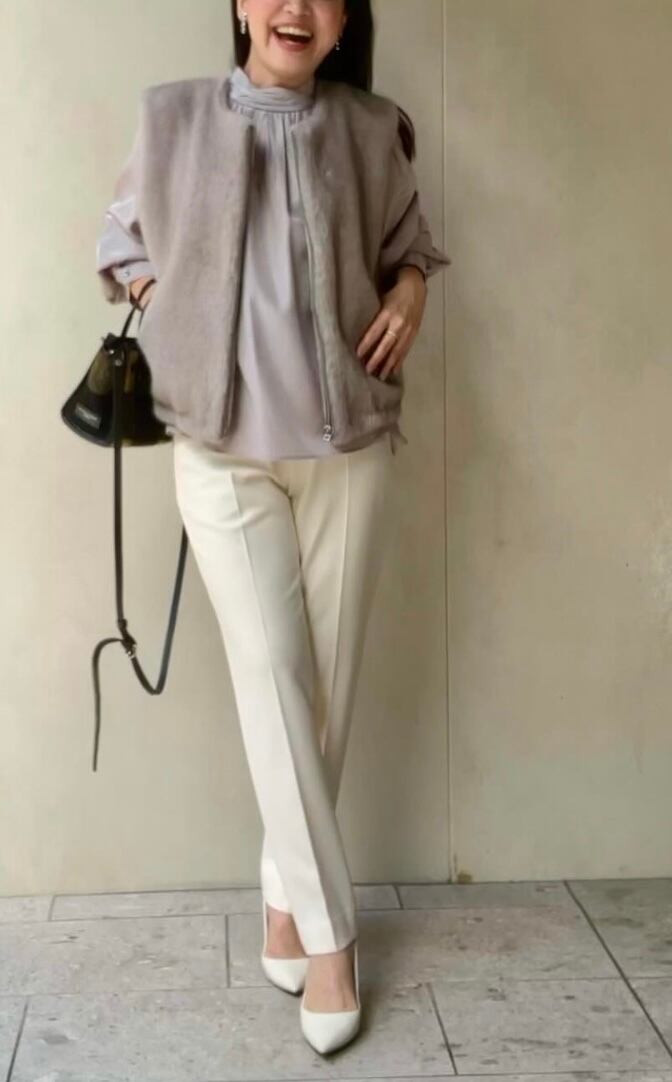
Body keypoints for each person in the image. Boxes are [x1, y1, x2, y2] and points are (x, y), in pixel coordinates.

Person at [95, 0, 450, 1056]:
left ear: (343, 22)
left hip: (349, 448)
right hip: (221, 455)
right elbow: (119, 240)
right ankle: (334, 941)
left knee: (321, 693)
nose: (295, 6)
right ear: (242, 7)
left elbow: (411, 246)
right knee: (270, 676)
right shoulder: (173, 118)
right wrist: (171, 301)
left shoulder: (372, 128)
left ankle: (284, 897)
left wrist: (412, 294)